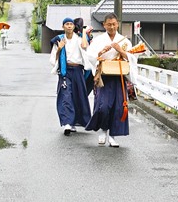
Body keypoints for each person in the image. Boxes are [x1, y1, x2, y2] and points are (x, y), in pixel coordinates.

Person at [85, 13, 137, 148]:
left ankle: (113, 136)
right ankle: (103, 131)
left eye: (114, 24)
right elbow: (90, 56)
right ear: (104, 25)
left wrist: (120, 50)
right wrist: (101, 52)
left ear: (117, 24)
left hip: (119, 76)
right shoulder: (98, 40)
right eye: (109, 24)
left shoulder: (124, 41)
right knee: (103, 106)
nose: (112, 27)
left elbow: (132, 58)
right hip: (104, 76)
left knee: (118, 107)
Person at [49, 17, 96, 136]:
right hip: (65, 71)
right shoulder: (59, 40)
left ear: (74, 27)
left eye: (71, 24)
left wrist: (84, 31)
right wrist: (59, 49)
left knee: (78, 96)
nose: (69, 26)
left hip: (78, 70)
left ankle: (74, 122)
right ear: (63, 27)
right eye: (66, 24)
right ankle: (67, 123)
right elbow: (53, 60)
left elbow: (85, 47)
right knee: (65, 95)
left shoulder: (79, 39)